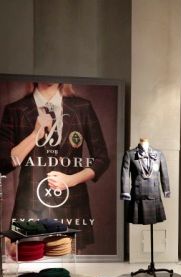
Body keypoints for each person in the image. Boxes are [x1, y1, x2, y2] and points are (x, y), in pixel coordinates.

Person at [0, 83, 110, 249]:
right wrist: (35, 133)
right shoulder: (15, 110)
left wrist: (72, 179)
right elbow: (5, 163)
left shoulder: (82, 107)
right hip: (30, 205)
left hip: (72, 204)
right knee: (30, 266)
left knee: (70, 269)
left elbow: (102, 159)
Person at [120, 138, 171, 224]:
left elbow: (164, 173)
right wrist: (125, 192)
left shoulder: (158, 154)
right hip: (138, 195)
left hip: (154, 195)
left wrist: (166, 190)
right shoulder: (129, 154)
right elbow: (125, 175)